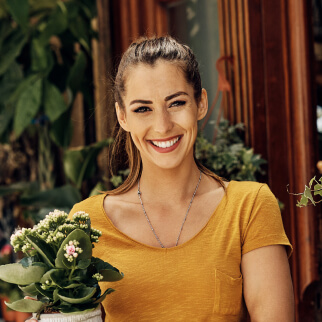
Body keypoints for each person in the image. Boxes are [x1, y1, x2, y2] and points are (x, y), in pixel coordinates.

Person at [28, 36, 294, 321]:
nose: (163, 125)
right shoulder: (86, 221)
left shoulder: (249, 206)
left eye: (176, 103)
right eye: (143, 109)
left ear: (200, 104)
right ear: (122, 116)